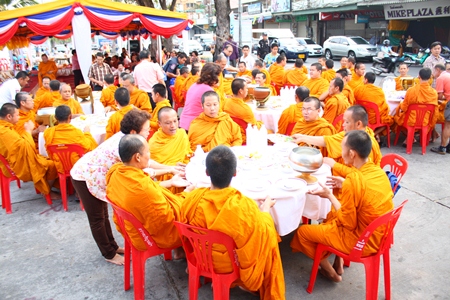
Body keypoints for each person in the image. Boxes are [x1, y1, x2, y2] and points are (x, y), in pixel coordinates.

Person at [71, 109, 182, 265]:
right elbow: (144, 170)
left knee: (103, 214)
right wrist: (169, 171)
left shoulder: (130, 141)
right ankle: (109, 254)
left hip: (97, 175)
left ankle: (113, 246)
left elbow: (146, 162)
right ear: (133, 131)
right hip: (84, 176)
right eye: (146, 131)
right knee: (97, 218)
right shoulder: (123, 147)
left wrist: (169, 168)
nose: (149, 133)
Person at [181, 145, 285, 299]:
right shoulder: (243, 206)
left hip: (201, 257)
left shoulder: (193, 199)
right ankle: (247, 283)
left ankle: (210, 279)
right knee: (268, 234)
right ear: (235, 173)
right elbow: (262, 232)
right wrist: (266, 209)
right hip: (229, 265)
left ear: (207, 173)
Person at [291, 130, 394, 283]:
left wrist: (329, 195)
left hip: (361, 241)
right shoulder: (377, 172)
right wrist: (345, 184)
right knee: (331, 215)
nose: (340, 152)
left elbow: (347, 223)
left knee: (302, 233)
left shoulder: (354, 181)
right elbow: (365, 193)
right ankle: (337, 262)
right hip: (380, 236)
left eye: (342, 148)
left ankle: (330, 272)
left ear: (352, 154)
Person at [106, 134, 191, 255]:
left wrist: (171, 182)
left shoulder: (116, 171)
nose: (149, 155)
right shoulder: (142, 188)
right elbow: (166, 219)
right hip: (148, 238)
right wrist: (187, 193)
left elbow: (147, 188)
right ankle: (194, 258)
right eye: (148, 152)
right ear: (138, 157)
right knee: (194, 211)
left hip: (131, 230)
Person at [291, 105, 382, 180]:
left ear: (358, 124)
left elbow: (360, 176)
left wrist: (334, 165)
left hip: (350, 186)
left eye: (347, 122)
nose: (343, 125)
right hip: (338, 177)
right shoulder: (350, 134)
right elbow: (328, 140)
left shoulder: (366, 145)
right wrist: (303, 137)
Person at [0, 103, 58, 198]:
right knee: (53, 165)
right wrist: (28, 130)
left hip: (17, 159)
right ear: (9, 116)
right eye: (17, 115)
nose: (19, 118)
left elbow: (19, 144)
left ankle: (49, 188)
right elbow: (24, 146)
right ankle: (47, 192)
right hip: (16, 166)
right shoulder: (4, 132)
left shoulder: (5, 127)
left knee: (47, 159)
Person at [44, 105, 97, 174]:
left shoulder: (48, 132)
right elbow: (88, 147)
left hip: (59, 164)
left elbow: (49, 150)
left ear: (56, 118)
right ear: (70, 117)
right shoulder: (76, 132)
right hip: (76, 165)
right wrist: (87, 133)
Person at [149, 107, 192, 185]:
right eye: (168, 123)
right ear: (159, 124)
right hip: (167, 181)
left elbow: (187, 153)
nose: (173, 126)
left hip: (185, 173)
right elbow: (153, 167)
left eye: (175, 121)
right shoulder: (155, 142)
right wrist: (173, 166)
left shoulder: (182, 134)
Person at [394, 67, 438, 133]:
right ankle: (414, 136)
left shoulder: (411, 90)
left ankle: (409, 136)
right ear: (430, 78)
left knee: (395, 116)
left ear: (419, 76)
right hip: (426, 120)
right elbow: (435, 109)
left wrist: (400, 105)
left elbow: (404, 107)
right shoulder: (434, 92)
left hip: (410, 120)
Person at [180, 63, 221, 131]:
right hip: (194, 125)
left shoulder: (194, 85)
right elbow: (212, 112)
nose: (219, 79)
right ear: (211, 76)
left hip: (183, 123)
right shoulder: (208, 90)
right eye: (217, 76)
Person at [354, 72, 393, 140]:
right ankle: (374, 134)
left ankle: (373, 134)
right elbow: (383, 106)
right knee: (390, 120)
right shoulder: (379, 91)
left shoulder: (358, 89)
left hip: (361, 116)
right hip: (374, 118)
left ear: (365, 80)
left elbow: (354, 101)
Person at [431, 64, 450, 154]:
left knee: (447, 125)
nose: (434, 74)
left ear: (438, 70)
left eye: (434, 71)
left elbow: (439, 96)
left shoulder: (441, 78)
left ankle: (442, 147)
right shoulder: (448, 75)